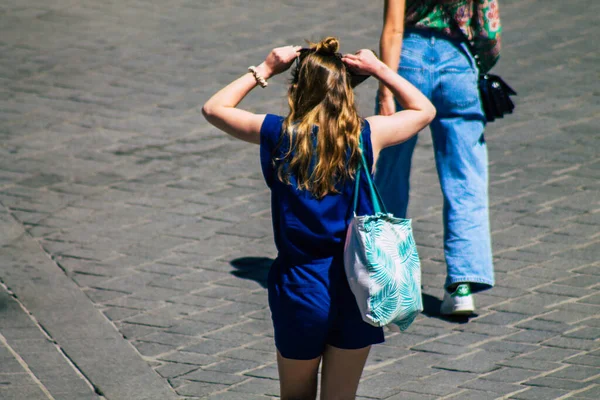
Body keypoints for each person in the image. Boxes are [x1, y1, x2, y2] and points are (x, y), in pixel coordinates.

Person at [203, 37, 435, 400]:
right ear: (346, 91)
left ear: (297, 90)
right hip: (359, 283)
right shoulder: (365, 135)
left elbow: (214, 108)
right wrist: (379, 69)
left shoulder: (279, 134)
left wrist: (264, 68)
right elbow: (424, 110)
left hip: (299, 286)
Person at [376, 0, 501, 315]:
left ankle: (392, 287)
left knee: (390, 175)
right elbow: (489, 30)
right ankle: (462, 286)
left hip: (407, 59)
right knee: (466, 178)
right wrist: (479, 66)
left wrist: (385, 91)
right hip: (458, 62)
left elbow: (392, 27)